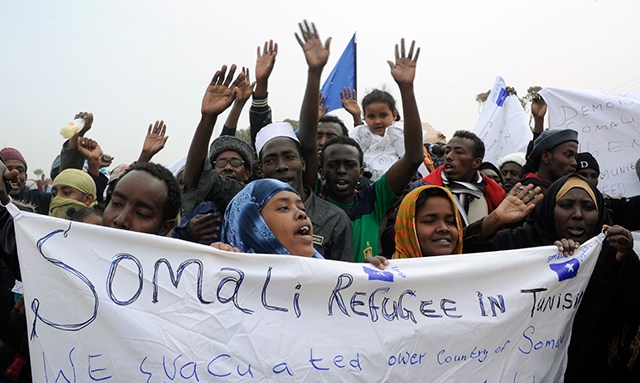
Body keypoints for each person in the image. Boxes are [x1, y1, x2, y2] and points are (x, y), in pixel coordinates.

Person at [464, 174, 640, 381]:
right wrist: (493, 221)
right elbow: (459, 265)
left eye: (588, 207)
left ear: (600, 213)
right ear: (549, 210)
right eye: (566, 205)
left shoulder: (613, 255)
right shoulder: (519, 245)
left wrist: (627, 261)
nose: (577, 215)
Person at [320, 38, 425, 262]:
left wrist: (407, 89)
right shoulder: (310, 204)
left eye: (349, 165)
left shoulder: (373, 201)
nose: (341, 171)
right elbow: (309, 147)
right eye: (332, 165)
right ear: (320, 169)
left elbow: (414, 156)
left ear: (361, 171)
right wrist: (314, 74)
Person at [419, 130, 505, 227]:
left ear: (476, 162)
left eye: (459, 152)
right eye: (447, 151)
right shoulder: (421, 191)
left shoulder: (494, 199)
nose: (449, 157)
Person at [221, 179, 320, 258]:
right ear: (251, 226)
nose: (301, 214)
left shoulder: (329, 278)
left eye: (301, 208)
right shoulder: (224, 276)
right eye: (284, 208)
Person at [348, 88, 407, 181]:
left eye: (383, 115)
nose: (377, 121)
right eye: (371, 117)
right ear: (365, 118)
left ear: (394, 115)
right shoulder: (359, 133)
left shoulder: (400, 133)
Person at [392, 186, 463, 258]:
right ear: (408, 228)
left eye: (450, 222)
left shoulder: (469, 267)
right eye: (430, 221)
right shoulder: (389, 268)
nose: (444, 228)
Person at [576, 152, 640, 231]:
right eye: (582, 175)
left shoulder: (608, 205)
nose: (589, 180)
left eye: (594, 176)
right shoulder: (558, 203)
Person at [520, 129, 578, 194]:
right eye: (568, 155)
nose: (574, 163)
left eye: (575, 157)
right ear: (546, 157)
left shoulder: (562, 192)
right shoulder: (527, 194)